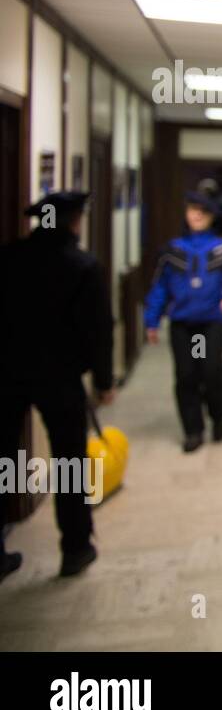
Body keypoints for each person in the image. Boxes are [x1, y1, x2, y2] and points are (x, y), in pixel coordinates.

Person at [0, 191, 113, 580]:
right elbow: (99, 331)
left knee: (5, 459)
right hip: (60, 376)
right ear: (73, 222)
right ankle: (76, 547)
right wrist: (103, 381)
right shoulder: (81, 266)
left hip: (8, 372)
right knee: (68, 461)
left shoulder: (9, 258)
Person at [145, 192, 222, 452]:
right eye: (192, 210)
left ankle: (217, 417)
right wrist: (152, 321)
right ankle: (193, 430)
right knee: (186, 375)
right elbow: (159, 287)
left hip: (211, 323)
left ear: (211, 216)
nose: (197, 215)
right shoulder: (172, 250)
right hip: (183, 324)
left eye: (202, 211)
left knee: (211, 371)